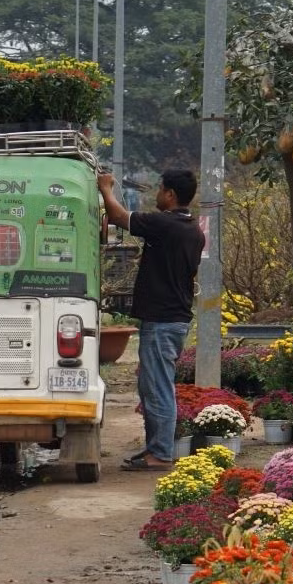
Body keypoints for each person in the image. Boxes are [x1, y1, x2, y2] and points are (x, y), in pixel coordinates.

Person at [97, 168, 204, 471]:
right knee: (152, 386)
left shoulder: (166, 225)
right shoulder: (191, 229)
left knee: (158, 388)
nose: (156, 194)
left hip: (163, 320)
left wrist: (106, 189)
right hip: (170, 319)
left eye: (159, 189)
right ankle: (154, 450)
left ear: (170, 195)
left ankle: (160, 454)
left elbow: (119, 217)